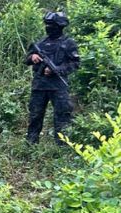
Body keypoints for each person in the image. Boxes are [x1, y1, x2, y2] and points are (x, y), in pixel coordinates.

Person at [24, 11, 81, 144]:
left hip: (58, 87)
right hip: (39, 86)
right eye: (47, 24)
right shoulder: (40, 44)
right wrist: (32, 57)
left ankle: (62, 147)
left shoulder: (68, 43)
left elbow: (75, 63)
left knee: (62, 117)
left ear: (59, 26)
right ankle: (31, 144)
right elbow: (26, 60)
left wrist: (58, 70)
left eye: (52, 25)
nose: (48, 27)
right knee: (35, 116)